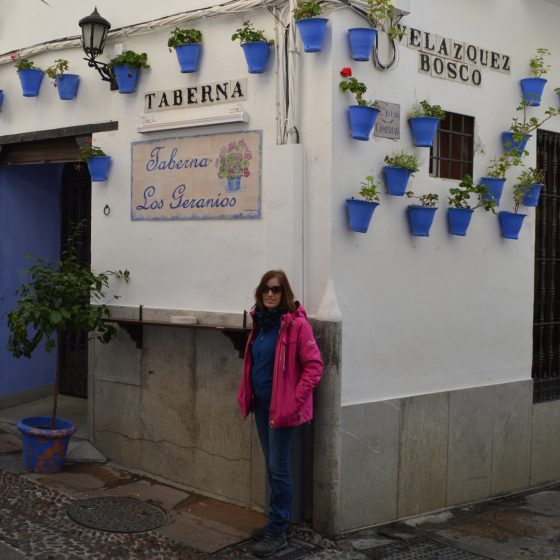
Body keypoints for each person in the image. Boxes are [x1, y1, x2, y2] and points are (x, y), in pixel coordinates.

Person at [237, 270, 323, 557]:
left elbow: (314, 367)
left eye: (275, 289)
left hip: (282, 409)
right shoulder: (260, 324)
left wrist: (292, 402)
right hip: (262, 405)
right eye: (265, 289)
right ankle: (279, 522)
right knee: (272, 465)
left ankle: (277, 533)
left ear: (284, 293)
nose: (270, 294)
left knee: (279, 467)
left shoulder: (297, 325)